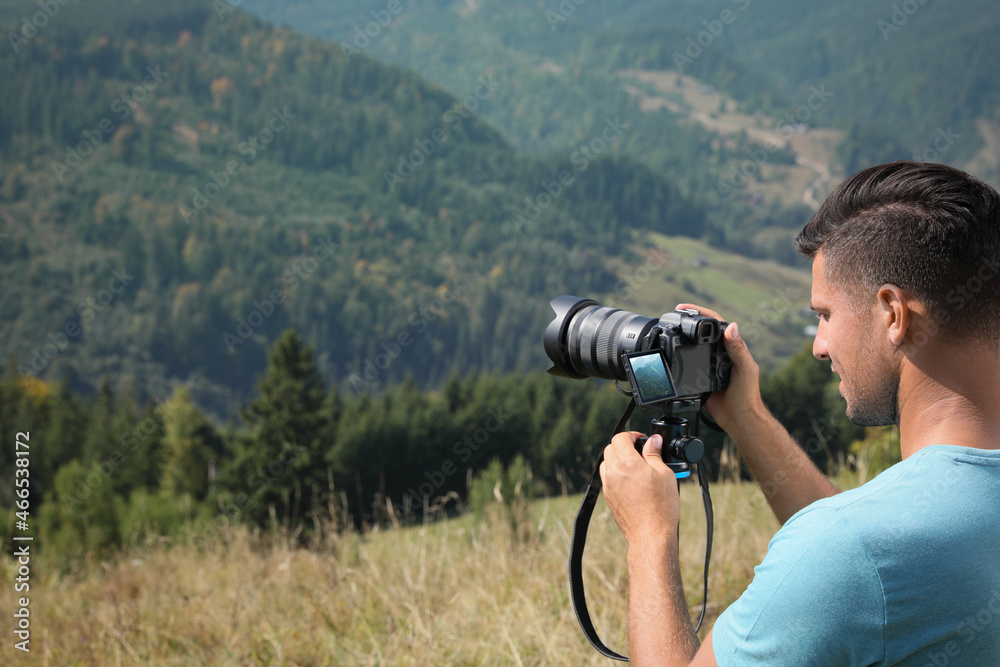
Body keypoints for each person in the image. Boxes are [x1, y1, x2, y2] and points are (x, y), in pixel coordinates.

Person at [600, 160, 1000, 666]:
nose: (821, 346)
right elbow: (873, 561)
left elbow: (856, 554)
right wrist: (745, 416)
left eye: (825, 315)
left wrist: (648, 537)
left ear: (894, 315)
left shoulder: (853, 550)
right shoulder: (885, 544)